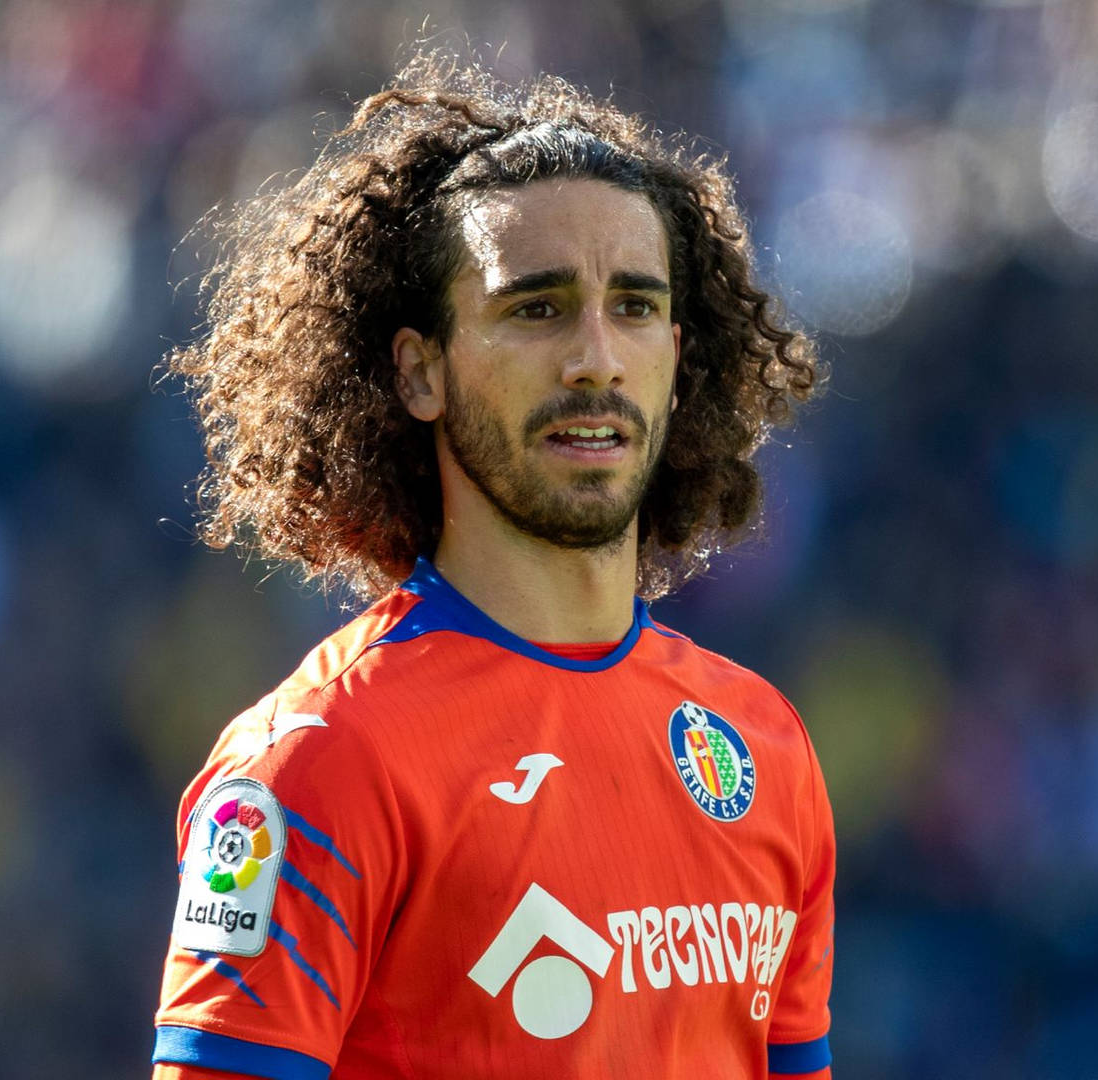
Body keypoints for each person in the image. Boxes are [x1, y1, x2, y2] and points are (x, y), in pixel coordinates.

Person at [150, 50, 833, 1080]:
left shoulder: (761, 747)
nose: (596, 358)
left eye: (635, 307)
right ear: (420, 372)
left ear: (680, 358)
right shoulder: (321, 761)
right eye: (537, 307)